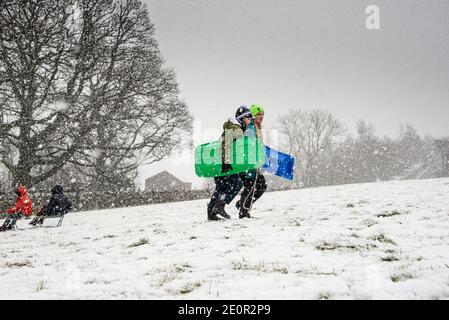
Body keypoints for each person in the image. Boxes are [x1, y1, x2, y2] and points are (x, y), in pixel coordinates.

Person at [207, 106, 254, 220]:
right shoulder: (236, 128)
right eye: (249, 118)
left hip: (217, 162)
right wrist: (226, 162)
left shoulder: (233, 127)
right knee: (237, 184)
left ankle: (211, 213)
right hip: (224, 162)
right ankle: (220, 206)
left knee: (221, 187)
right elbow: (226, 144)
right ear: (242, 118)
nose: (250, 121)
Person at [236, 104, 267, 218]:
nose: (261, 116)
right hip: (248, 163)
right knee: (250, 186)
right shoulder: (251, 128)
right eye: (258, 114)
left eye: (263, 114)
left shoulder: (257, 128)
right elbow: (248, 145)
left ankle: (242, 205)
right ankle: (244, 212)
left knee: (262, 185)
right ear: (252, 116)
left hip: (254, 163)